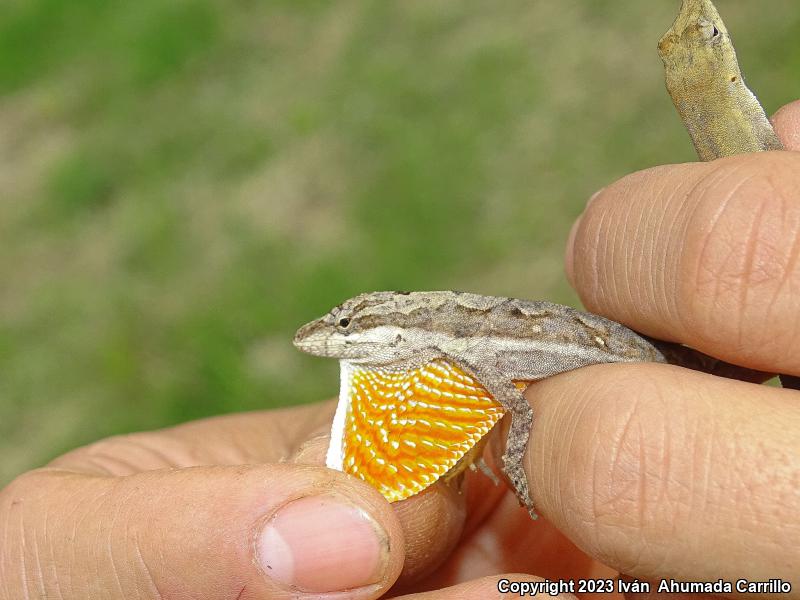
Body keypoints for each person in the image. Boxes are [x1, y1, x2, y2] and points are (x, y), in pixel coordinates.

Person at [1, 100, 798, 600]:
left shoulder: (466, 346)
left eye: (348, 332)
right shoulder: (449, 350)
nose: (329, 343)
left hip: (640, 358)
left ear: (399, 334)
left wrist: (518, 463)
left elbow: (517, 406)